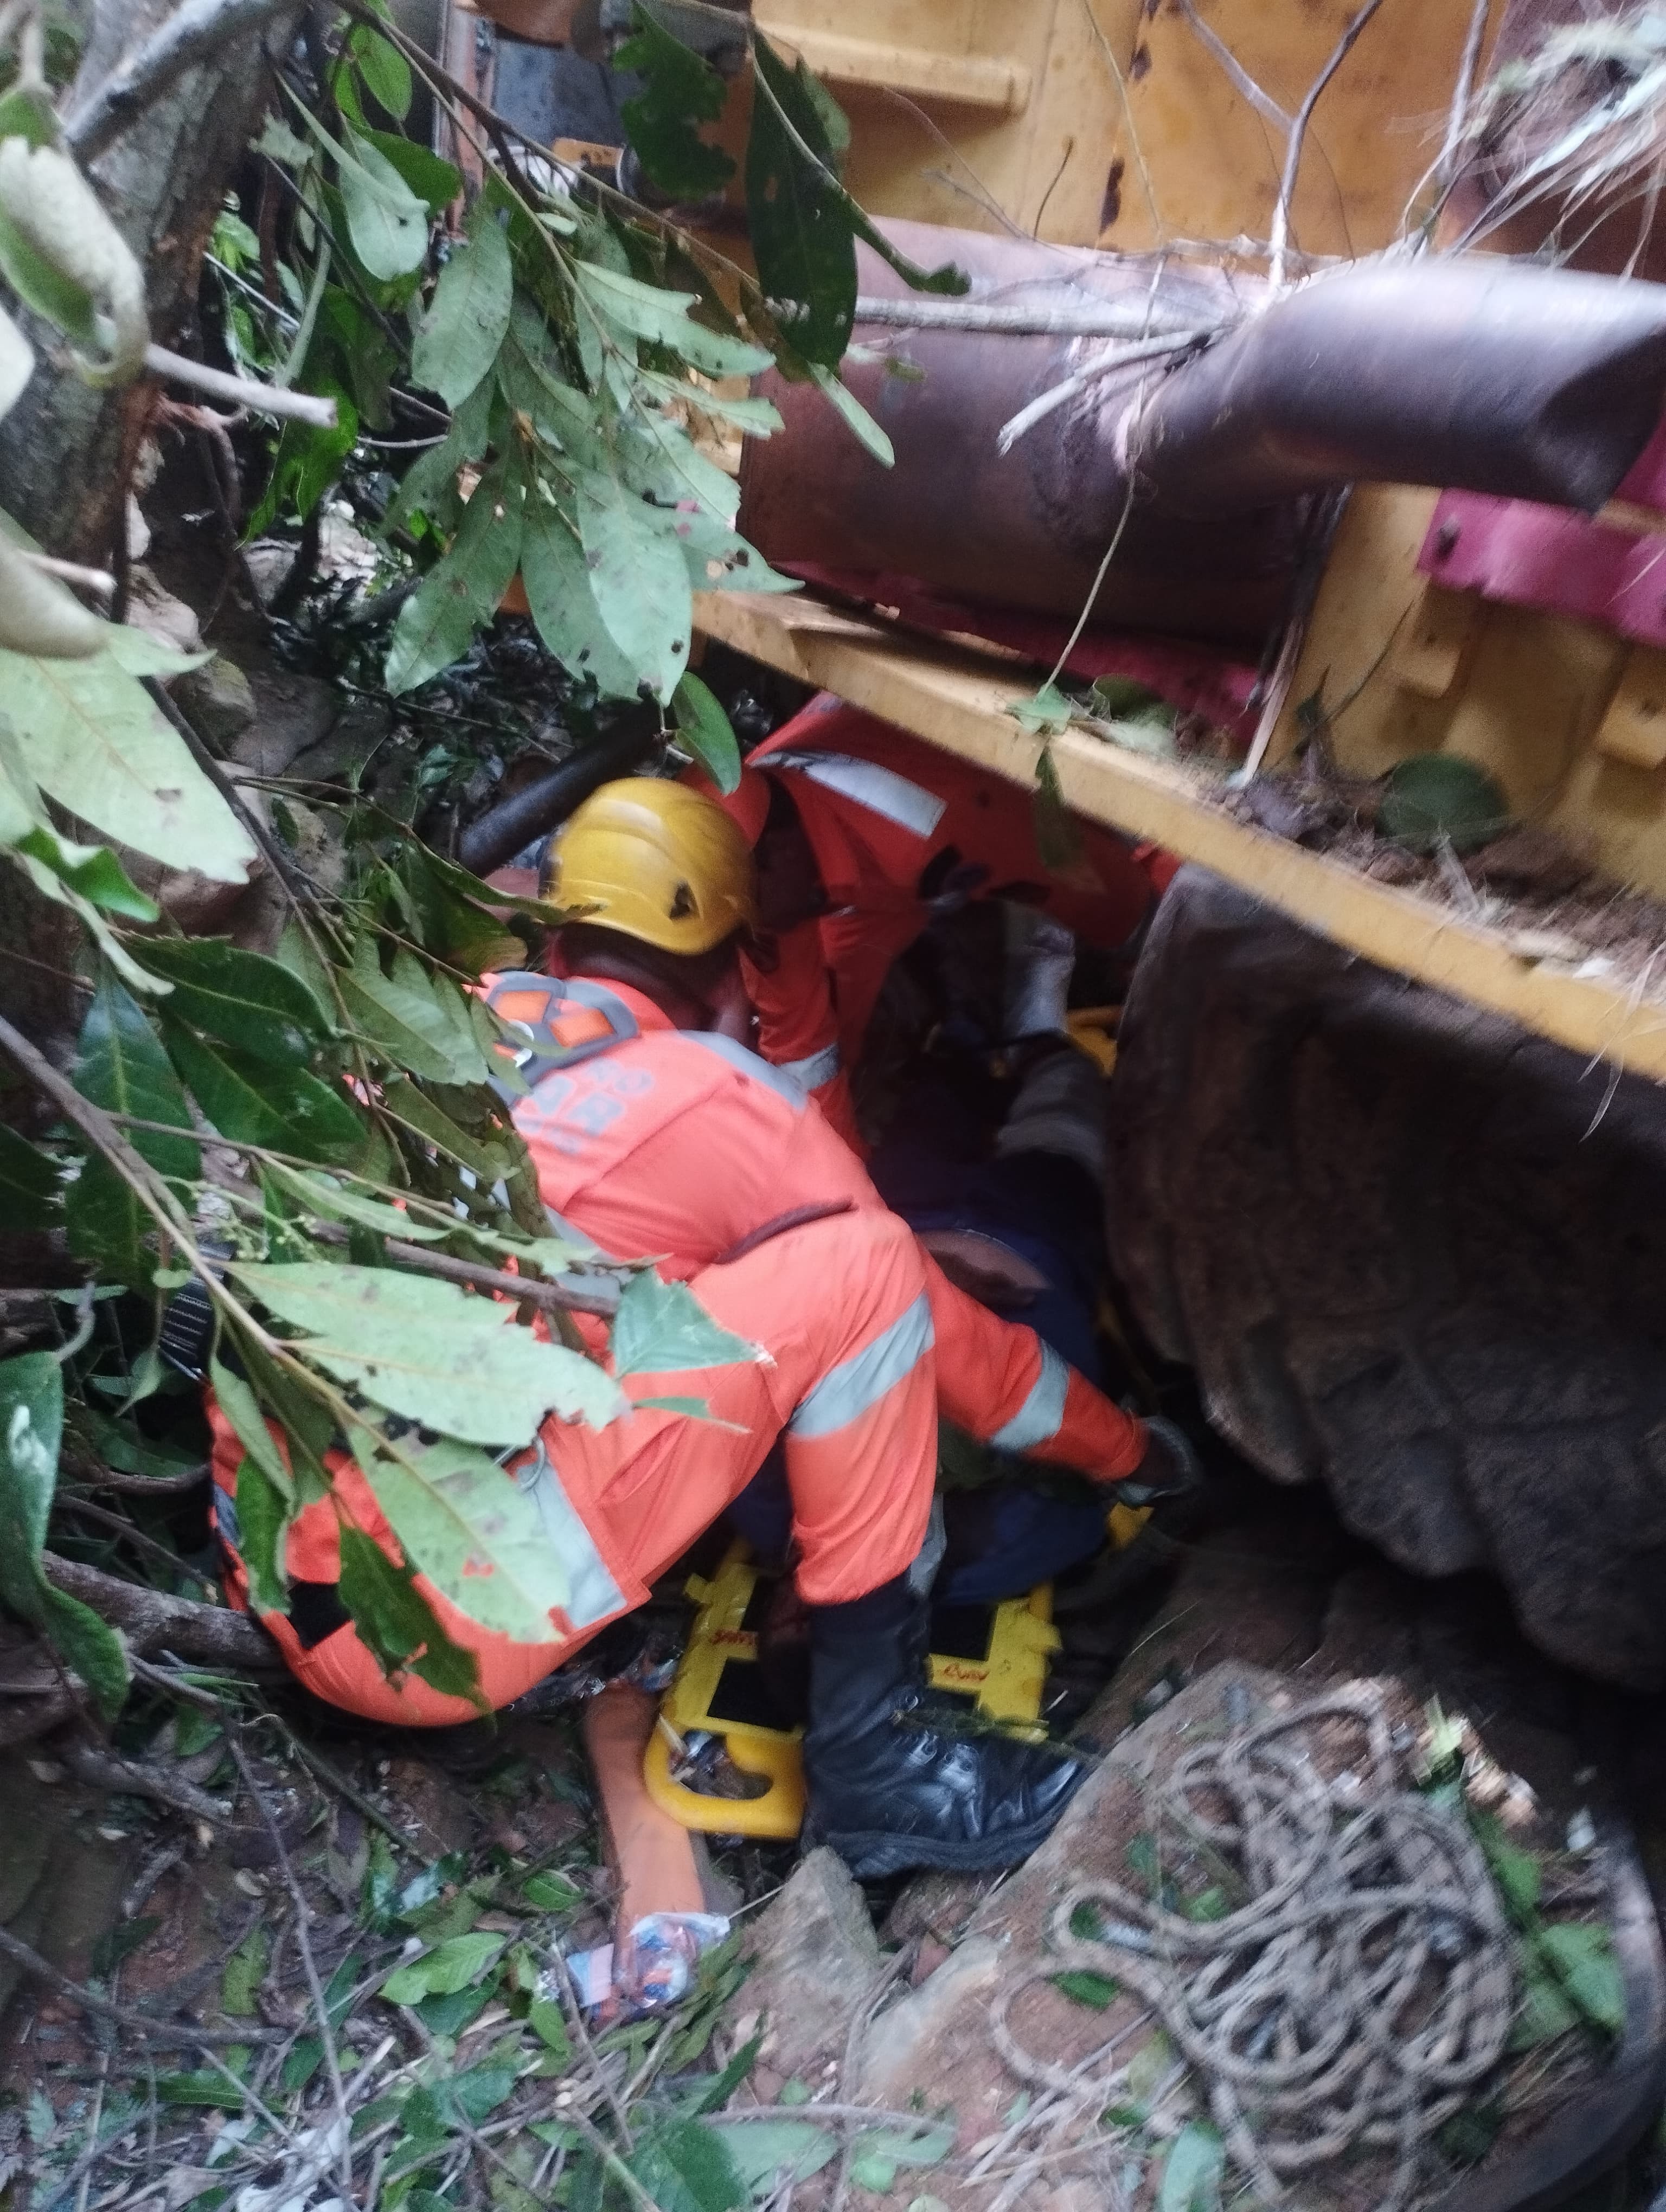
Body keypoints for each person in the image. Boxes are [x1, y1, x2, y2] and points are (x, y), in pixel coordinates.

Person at [208, 781, 1191, 1878]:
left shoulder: (451, 1026)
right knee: (878, 1264)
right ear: (733, 972)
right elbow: (946, 1335)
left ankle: (1009, 1036)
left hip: (286, 1564)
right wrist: (1138, 1456)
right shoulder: (709, 1094)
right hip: (438, 1628)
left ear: (559, 931)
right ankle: (882, 1774)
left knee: (938, 1183)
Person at [687, 692, 1165, 1148]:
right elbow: (802, 1051)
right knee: (825, 1045)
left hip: (962, 808)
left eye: (744, 916)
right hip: (839, 873)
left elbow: (1080, 872)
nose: (746, 938)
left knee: (1129, 916)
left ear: (776, 856)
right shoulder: (744, 843)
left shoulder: (934, 826)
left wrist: (1144, 937)